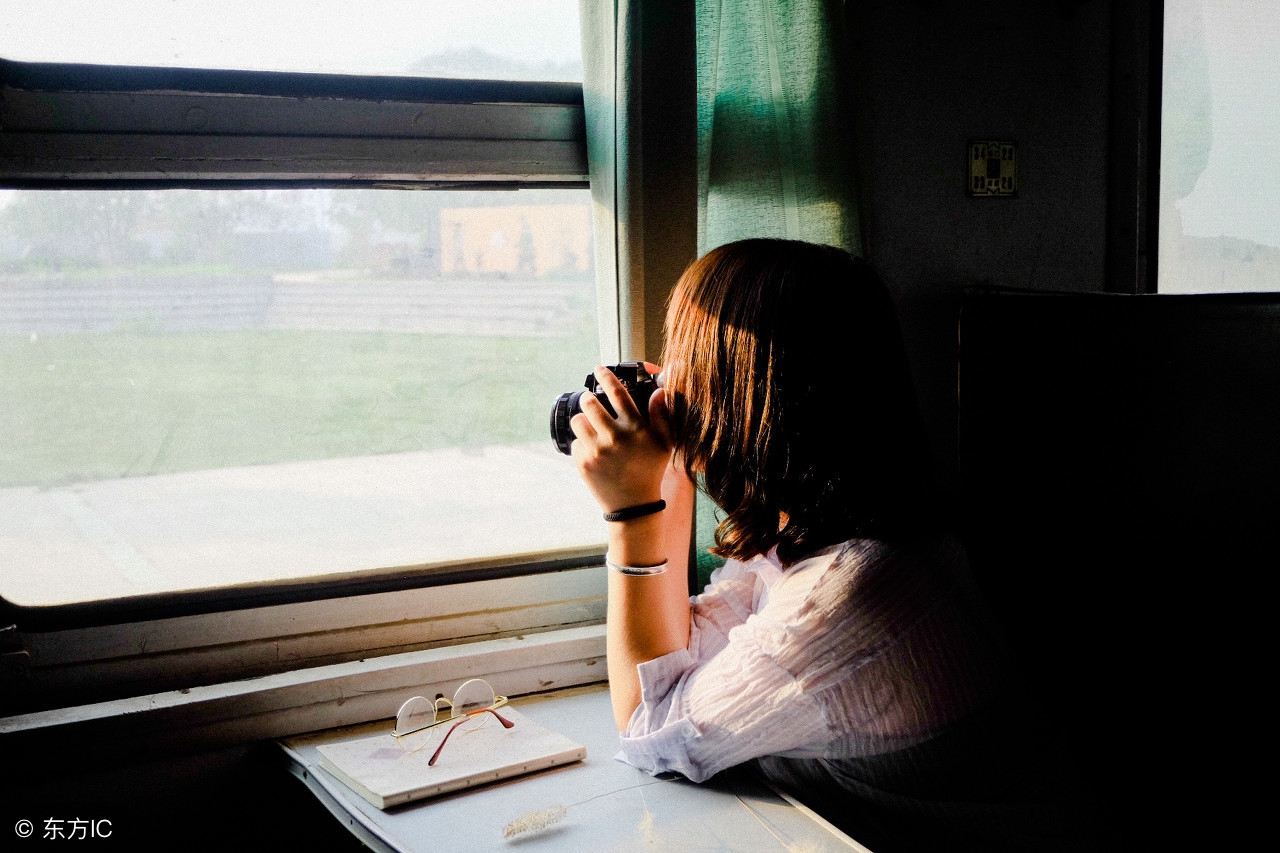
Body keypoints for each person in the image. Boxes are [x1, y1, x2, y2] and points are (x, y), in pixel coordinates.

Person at [568, 239, 1108, 852]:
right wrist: (668, 476)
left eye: (684, 358)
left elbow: (650, 731)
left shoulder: (851, 593)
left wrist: (633, 513)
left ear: (739, 387)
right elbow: (685, 652)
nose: (667, 384)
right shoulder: (839, 533)